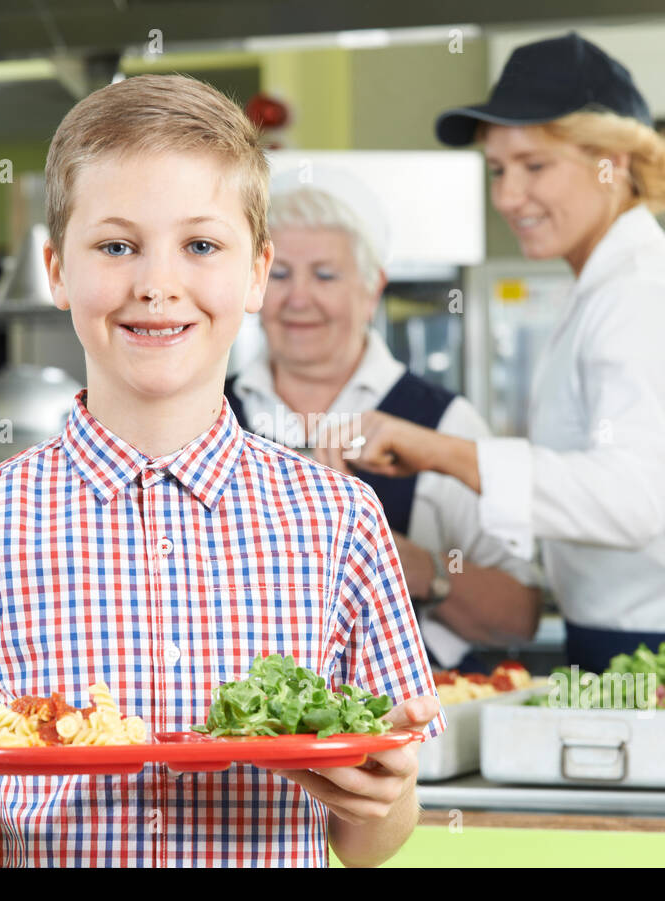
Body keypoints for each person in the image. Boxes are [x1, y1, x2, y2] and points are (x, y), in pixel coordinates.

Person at [0, 74, 445, 868]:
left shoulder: (340, 519)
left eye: (201, 245)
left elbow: (370, 840)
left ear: (254, 274)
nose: (156, 284)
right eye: (115, 245)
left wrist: (386, 797)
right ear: (58, 271)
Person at [335, 32, 665, 683]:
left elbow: (631, 499)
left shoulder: (644, 291)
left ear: (614, 161)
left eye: (534, 165)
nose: (507, 197)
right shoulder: (611, 285)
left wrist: (441, 452)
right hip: (657, 648)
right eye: (499, 170)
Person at [224, 174, 541, 671]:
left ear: (373, 290)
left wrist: (424, 570)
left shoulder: (445, 424)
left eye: (325, 275)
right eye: (280, 275)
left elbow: (519, 617)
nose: (298, 299)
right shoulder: (207, 414)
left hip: (409, 723)